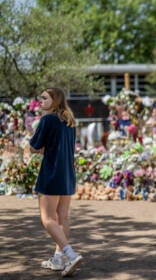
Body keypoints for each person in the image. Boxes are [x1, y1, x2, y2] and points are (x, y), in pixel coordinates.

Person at [29, 87, 83, 277]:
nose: (41, 101)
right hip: (67, 173)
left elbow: (34, 147)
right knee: (63, 217)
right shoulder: (70, 121)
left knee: (47, 218)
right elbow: (61, 148)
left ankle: (70, 254)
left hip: (51, 173)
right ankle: (58, 259)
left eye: (44, 98)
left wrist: (33, 137)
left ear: (55, 100)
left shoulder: (47, 119)